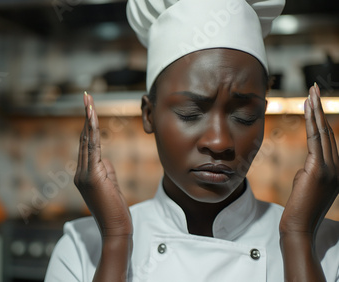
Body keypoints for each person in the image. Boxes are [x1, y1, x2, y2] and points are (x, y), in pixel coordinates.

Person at [45, 0, 339, 281]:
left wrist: (299, 238)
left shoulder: (329, 249)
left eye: (245, 115)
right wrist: (116, 240)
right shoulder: (82, 250)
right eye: (190, 112)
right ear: (149, 114)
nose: (219, 141)